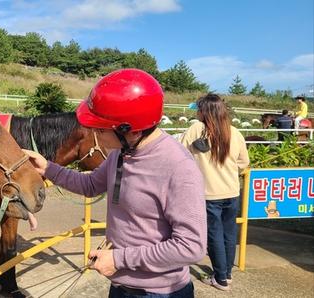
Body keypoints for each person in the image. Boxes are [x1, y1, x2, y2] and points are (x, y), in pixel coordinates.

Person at [25, 69, 206, 297]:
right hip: (120, 284)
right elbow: (90, 185)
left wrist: (120, 259)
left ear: (128, 130)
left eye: (99, 129)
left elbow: (191, 246)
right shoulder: (120, 153)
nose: (94, 134)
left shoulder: (178, 167)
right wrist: (48, 168)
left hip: (158, 292)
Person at [180, 93, 250, 291]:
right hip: (232, 191)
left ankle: (220, 278)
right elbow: (244, 163)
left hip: (208, 194)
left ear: (205, 111)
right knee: (229, 233)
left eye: (199, 109)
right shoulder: (234, 132)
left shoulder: (197, 129)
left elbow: (178, 151)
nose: (197, 112)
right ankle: (226, 274)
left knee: (214, 235)